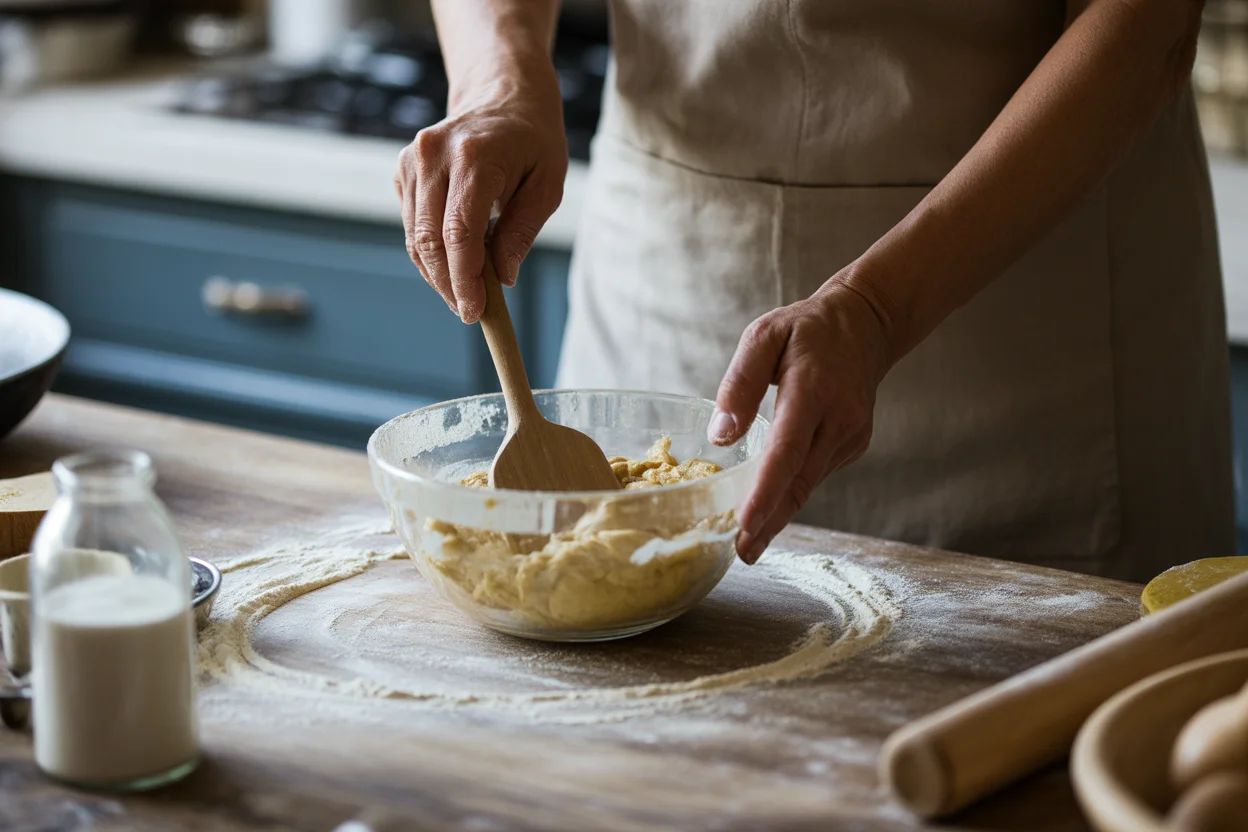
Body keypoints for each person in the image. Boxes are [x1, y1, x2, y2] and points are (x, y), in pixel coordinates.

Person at [394, 0, 1233, 583]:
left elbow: (1145, 23)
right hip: (675, 270)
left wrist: (877, 308)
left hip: (1029, 321)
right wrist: (497, 81)